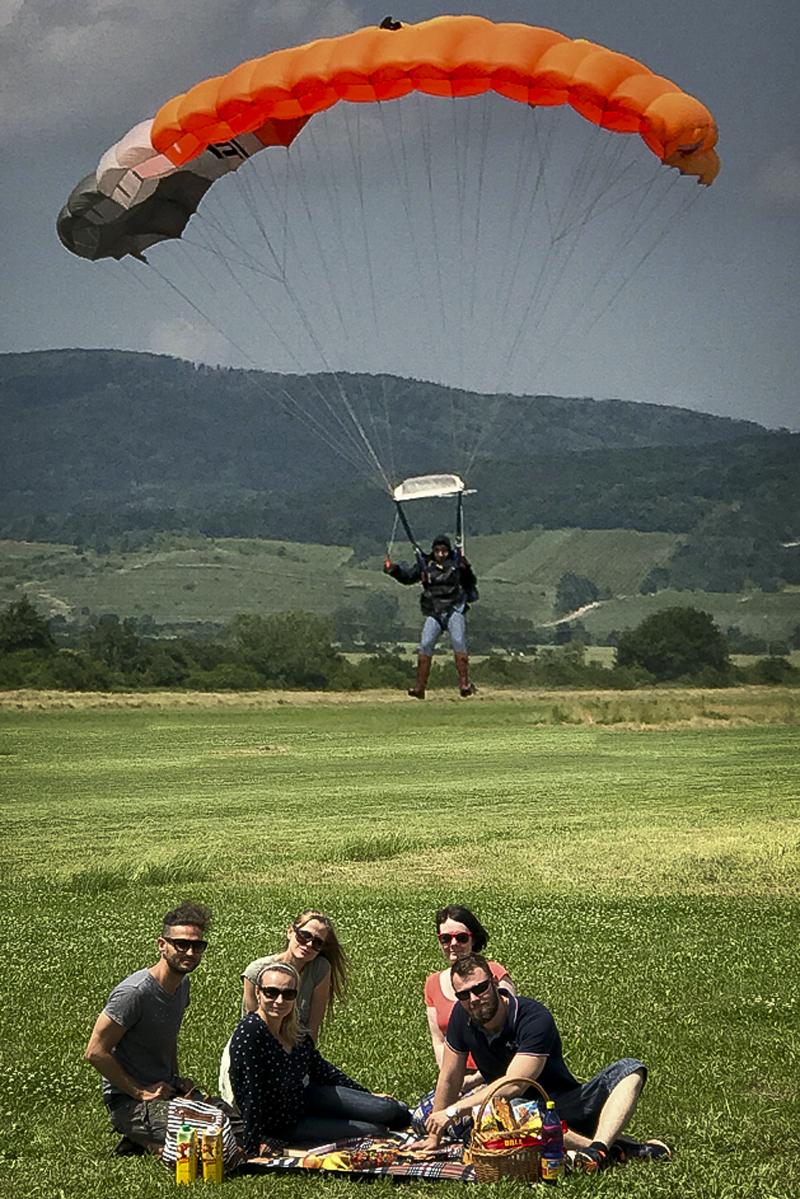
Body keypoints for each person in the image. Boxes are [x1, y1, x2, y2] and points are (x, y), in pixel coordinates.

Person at [418, 954, 671, 1174]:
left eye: (480, 988)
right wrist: (434, 1136)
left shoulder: (533, 1017)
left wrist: (452, 1112)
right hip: (513, 1115)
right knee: (505, 1111)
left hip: (563, 1103)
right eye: (464, 994)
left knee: (630, 1069)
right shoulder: (461, 1017)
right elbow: (449, 1077)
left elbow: (514, 1084)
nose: (474, 999)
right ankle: (603, 1150)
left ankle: (597, 1148)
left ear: (494, 982)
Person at [229, 961, 410, 1155]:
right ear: (258, 992)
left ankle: (410, 1116)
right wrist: (252, 1147)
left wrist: (366, 1094)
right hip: (284, 1123)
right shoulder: (251, 1031)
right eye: (271, 992)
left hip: (307, 1097)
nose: (279, 1000)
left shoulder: (294, 1030)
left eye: (288, 994)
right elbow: (251, 1093)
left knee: (386, 1109)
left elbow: (322, 1070)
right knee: (374, 1131)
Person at [85, 901, 213, 1155]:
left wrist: (176, 1080)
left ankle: (146, 1139)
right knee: (207, 1134)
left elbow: (167, 1036)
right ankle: (142, 1135)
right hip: (128, 1101)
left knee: (231, 1120)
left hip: (165, 1090)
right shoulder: (134, 993)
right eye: (181, 944)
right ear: (162, 945)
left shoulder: (181, 986)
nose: (190, 952)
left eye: (197, 946)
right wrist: (140, 1092)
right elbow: (95, 1052)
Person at [218, 909, 346, 1104]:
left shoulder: (320, 969)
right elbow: (253, 1030)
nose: (309, 945)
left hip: (297, 1053)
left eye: (317, 943)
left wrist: (300, 1065)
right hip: (257, 1055)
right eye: (304, 936)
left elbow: (312, 1029)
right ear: (290, 932)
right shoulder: (256, 971)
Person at [425, 906, 515, 1091]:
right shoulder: (433, 983)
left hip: (494, 1075)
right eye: (445, 938)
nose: (453, 944)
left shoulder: (493, 974)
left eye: (461, 937)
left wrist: (473, 1080)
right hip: (456, 1078)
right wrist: (451, 1080)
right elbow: (439, 1041)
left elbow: (511, 1034)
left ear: (473, 939)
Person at [384, 534, 478, 698]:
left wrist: (466, 569)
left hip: (454, 608)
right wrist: (394, 570)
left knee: (458, 642)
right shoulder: (425, 565)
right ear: (433, 551)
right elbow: (408, 578)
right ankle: (419, 688)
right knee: (425, 644)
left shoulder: (456, 564)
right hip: (434, 611)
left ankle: (464, 684)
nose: (441, 554)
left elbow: (471, 582)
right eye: (437, 551)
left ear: (448, 551)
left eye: (444, 551)